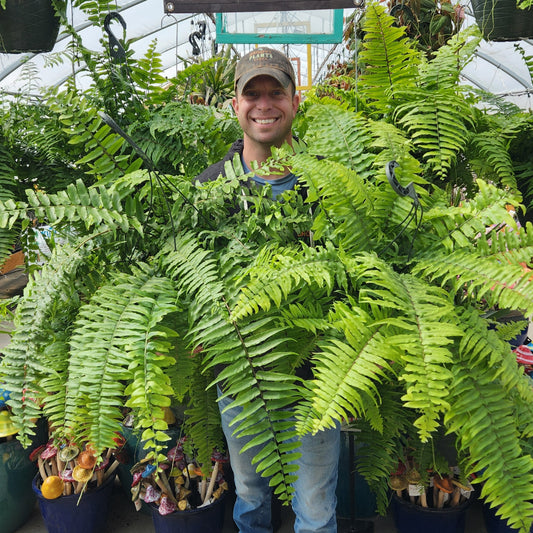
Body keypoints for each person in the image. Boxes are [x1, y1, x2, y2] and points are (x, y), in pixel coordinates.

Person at [196, 47, 341, 533]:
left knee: (315, 510)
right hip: (241, 377)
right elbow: (187, 282)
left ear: (295, 103)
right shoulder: (209, 187)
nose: (264, 104)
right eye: (251, 93)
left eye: (275, 92)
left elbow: (361, 271)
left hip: (316, 378)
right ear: (234, 106)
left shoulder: (330, 182)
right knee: (252, 496)